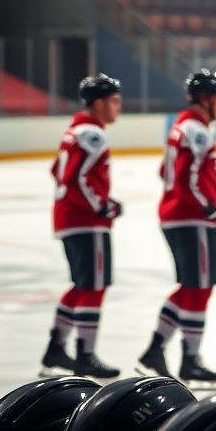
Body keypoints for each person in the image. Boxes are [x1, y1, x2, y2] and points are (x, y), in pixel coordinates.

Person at [136, 68, 216, 389]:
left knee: (192, 287)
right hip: (193, 218)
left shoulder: (182, 127)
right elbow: (188, 176)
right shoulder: (197, 130)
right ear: (206, 99)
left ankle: (155, 350)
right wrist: (207, 204)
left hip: (178, 216)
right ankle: (191, 361)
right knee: (200, 288)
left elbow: (166, 171)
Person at [40, 73, 124, 379]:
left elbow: (57, 171)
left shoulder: (74, 131)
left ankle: (56, 348)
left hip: (69, 218)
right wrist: (102, 205)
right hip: (87, 222)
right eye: (114, 101)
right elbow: (77, 178)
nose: (118, 107)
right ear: (98, 103)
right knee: (94, 286)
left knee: (81, 284)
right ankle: (85, 355)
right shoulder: (92, 134)